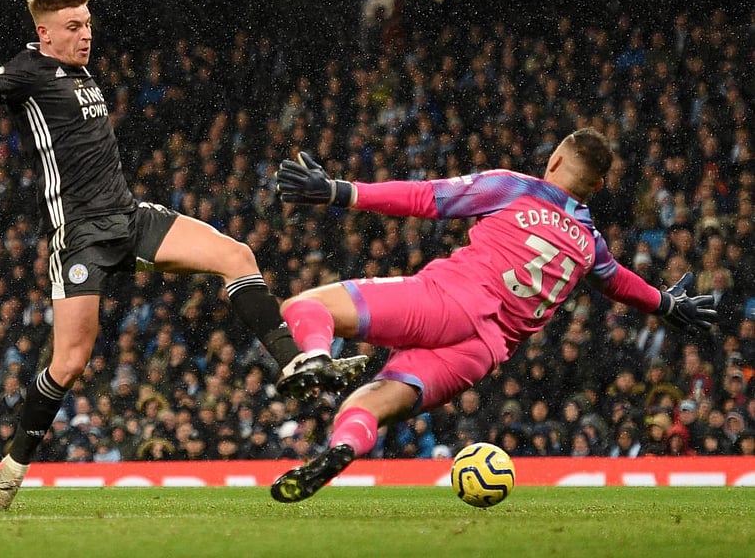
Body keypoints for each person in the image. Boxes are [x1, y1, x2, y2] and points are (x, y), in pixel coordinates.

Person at [0, 0, 366, 511]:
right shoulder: (26, 71)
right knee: (69, 364)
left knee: (236, 255)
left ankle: (293, 364)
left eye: (88, 24)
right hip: (80, 237)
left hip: (129, 217)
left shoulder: (80, 72)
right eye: (74, 27)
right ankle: (9, 474)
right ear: (45, 33)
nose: (86, 35)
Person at [269, 128, 717, 502]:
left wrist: (338, 191)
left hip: (446, 303)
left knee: (302, 307)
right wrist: (667, 303)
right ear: (597, 186)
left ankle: (315, 358)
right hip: (482, 352)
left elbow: (427, 197)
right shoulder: (588, 243)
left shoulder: (518, 187)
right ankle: (342, 447)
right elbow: (616, 280)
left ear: (556, 159)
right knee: (366, 405)